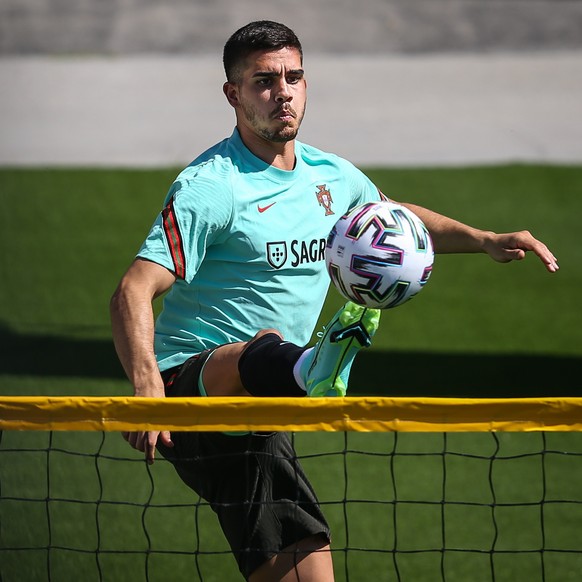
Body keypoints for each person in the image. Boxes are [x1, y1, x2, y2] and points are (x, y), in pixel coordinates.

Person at [110, 20, 558, 582]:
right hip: (190, 396)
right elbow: (133, 288)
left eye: (293, 77)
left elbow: (394, 222)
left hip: (263, 416)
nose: (283, 93)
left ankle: (308, 368)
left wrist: (484, 240)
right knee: (263, 351)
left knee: (310, 570)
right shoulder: (212, 186)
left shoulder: (329, 175)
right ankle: (311, 367)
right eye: (264, 81)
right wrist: (146, 385)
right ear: (233, 94)